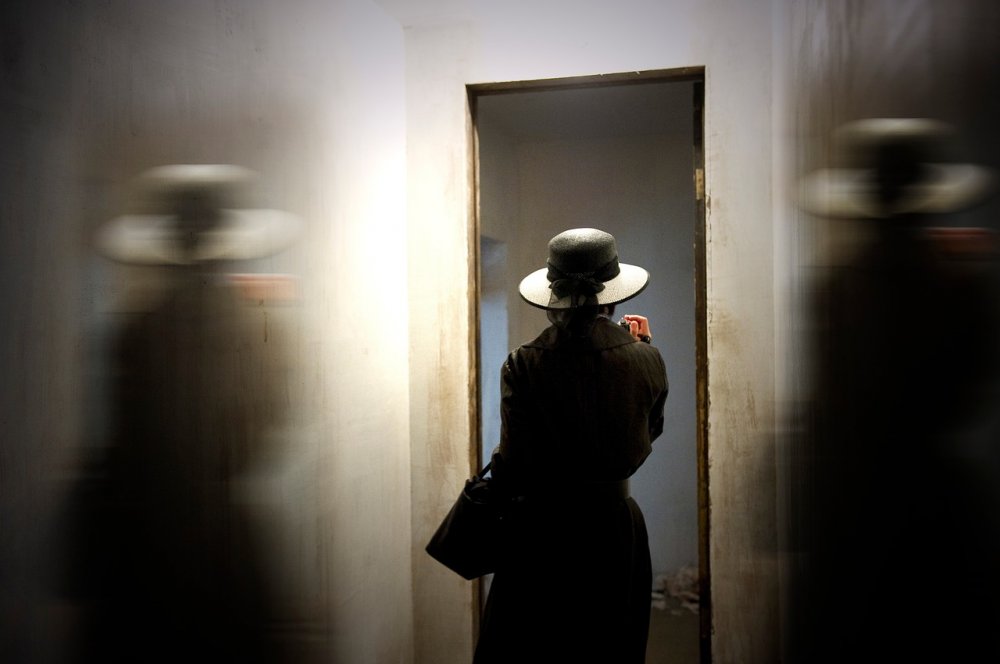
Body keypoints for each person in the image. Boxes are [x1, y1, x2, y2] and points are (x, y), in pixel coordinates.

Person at [473, 227, 669, 664]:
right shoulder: (646, 358)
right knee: (610, 647)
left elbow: (512, 463)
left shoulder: (524, 362)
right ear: (612, 298)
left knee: (533, 649)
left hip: (542, 529)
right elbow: (646, 436)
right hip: (614, 527)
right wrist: (641, 351)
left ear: (552, 299)